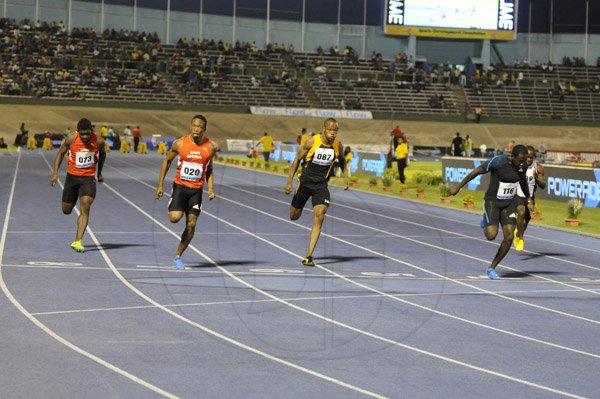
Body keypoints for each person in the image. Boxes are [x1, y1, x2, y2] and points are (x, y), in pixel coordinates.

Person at [450, 144, 535, 280]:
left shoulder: (522, 166)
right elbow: (478, 170)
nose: (522, 164)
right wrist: (459, 186)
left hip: (509, 203)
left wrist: (529, 200)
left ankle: (492, 268)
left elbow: (523, 182)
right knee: (491, 235)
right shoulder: (499, 161)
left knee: (508, 237)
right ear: (512, 156)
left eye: (524, 161)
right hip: (492, 202)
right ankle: (485, 221)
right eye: (519, 160)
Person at [284, 118, 349, 267]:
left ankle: (309, 256)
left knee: (320, 216)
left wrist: (346, 177)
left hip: (321, 185)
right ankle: (297, 205)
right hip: (305, 183)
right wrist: (289, 181)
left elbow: (343, 160)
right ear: (324, 129)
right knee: (294, 216)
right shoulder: (311, 142)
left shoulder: (337, 145)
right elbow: (296, 160)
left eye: (335, 131)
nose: (333, 133)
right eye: (330, 130)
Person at [155, 115, 216, 270]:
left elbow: (209, 169)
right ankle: (174, 203)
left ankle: (178, 256)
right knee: (174, 218)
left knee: (191, 224)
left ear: (204, 129)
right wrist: (160, 185)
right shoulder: (180, 143)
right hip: (180, 187)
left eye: (200, 126)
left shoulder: (210, 148)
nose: (196, 129)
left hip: (196, 190)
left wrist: (210, 188)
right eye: (193, 125)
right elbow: (166, 161)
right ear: (190, 126)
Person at [50, 118, 106, 253]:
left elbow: (102, 155)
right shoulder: (71, 139)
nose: (85, 137)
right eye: (82, 134)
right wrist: (55, 173)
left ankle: (78, 241)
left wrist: (99, 173)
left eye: (87, 134)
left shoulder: (99, 141)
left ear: (92, 131)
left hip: (88, 179)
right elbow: (61, 154)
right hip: (72, 178)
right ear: (78, 132)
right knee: (66, 210)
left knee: (85, 206)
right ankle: (74, 203)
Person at [514, 145, 546, 249]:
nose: (529, 159)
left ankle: (518, 233)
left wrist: (536, 178)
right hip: (518, 195)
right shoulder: (518, 165)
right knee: (521, 212)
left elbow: (543, 185)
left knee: (525, 222)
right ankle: (521, 239)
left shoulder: (538, 168)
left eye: (531, 157)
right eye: (527, 157)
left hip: (530, 198)